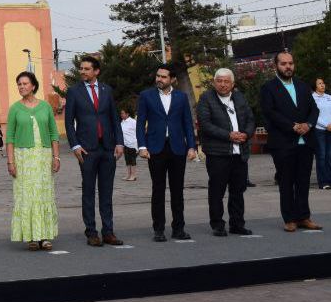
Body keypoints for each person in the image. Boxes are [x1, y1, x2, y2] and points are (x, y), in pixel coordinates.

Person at [64, 56, 125, 247]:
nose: (82, 71)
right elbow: (68, 121)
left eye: (87, 69)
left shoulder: (107, 90)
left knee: (106, 192)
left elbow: (114, 119)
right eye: (81, 69)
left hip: (108, 148)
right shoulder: (74, 92)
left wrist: (120, 143)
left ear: (96, 71)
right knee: (88, 191)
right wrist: (75, 145)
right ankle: (91, 232)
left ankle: (108, 231)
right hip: (86, 150)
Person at [259, 52, 322, 232]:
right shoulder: (268, 88)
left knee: (303, 181)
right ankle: (289, 219)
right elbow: (270, 112)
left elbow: (314, 110)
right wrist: (292, 126)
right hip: (283, 143)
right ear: (276, 66)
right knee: (286, 182)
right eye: (284, 64)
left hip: (306, 142)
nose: (288, 67)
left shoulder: (302, 86)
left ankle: (303, 217)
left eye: (291, 63)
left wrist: (309, 124)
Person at [136, 64, 197, 242]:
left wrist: (192, 146)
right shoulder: (146, 96)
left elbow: (187, 123)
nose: (159, 79)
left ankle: (179, 228)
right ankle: (159, 229)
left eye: (163, 77)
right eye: (158, 76)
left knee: (178, 190)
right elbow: (140, 123)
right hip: (155, 149)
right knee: (158, 190)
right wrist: (142, 146)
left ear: (172, 80)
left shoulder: (181, 97)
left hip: (178, 148)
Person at [196, 68, 255, 236]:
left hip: (240, 153)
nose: (222, 84)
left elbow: (250, 119)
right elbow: (205, 124)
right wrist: (229, 136)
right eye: (219, 81)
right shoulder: (206, 98)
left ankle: (237, 224)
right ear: (214, 83)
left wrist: (247, 133)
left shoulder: (240, 98)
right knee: (217, 191)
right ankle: (217, 224)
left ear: (232, 84)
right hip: (218, 154)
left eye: (226, 81)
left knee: (238, 190)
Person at [5, 72, 60, 251]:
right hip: (23, 159)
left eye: (25, 83)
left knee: (44, 195)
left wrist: (56, 157)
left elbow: (53, 134)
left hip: (43, 157)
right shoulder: (15, 109)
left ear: (33, 86)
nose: (21, 87)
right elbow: (10, 137)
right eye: (19, 84)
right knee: (27, 196)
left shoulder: (45, 107)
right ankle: (31, 237)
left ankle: (44, 236)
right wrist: (10, 162)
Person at [312, 78, 331, 190]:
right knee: (322, 156)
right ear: (315, 86)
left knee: (329, 156)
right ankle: (323, 182)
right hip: (319, 130)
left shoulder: (329, 97)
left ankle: (329, 179)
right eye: (319, 83)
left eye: (323, 83)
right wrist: (325, 125)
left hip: (330, 130)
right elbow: (314, 116)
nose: (322, 85)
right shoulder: (312, 98)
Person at [120, 108, 139, 181]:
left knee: (132, 160)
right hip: (125, 144)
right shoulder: (122, 122)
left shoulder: (133, 122)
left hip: (133, 143)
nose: (121, 115)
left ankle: (133, 175)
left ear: (127, 114)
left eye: (123, 113)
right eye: (121, 113)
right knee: (127, 160)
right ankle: (128, 174)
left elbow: (138, 131)